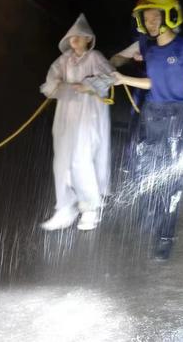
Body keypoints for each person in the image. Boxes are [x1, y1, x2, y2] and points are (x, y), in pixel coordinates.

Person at [113, 0, 183, 261]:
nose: (150, 22)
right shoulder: (149, 48)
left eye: (155, 16)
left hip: (179, 117)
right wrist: (123, 79)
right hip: (152, 114)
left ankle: (166, 236)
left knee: (173, 180)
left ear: (169, 15)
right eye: (146, 17)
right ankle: (151, 210)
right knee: (143, 167)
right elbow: (154, 82)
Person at [39, 14, 114, 231]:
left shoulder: (95, 57)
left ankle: (89, 208)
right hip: (67, 114)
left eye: (79, 37)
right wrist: (62, 86)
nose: (74, 41)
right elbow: (50, 83)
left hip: (89, 113)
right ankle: (64, 206)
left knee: (82, 159)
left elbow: (109, 76)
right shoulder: (64, 60)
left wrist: (88, 85)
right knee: (62, 160)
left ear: (88, 39)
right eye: (72, 37)